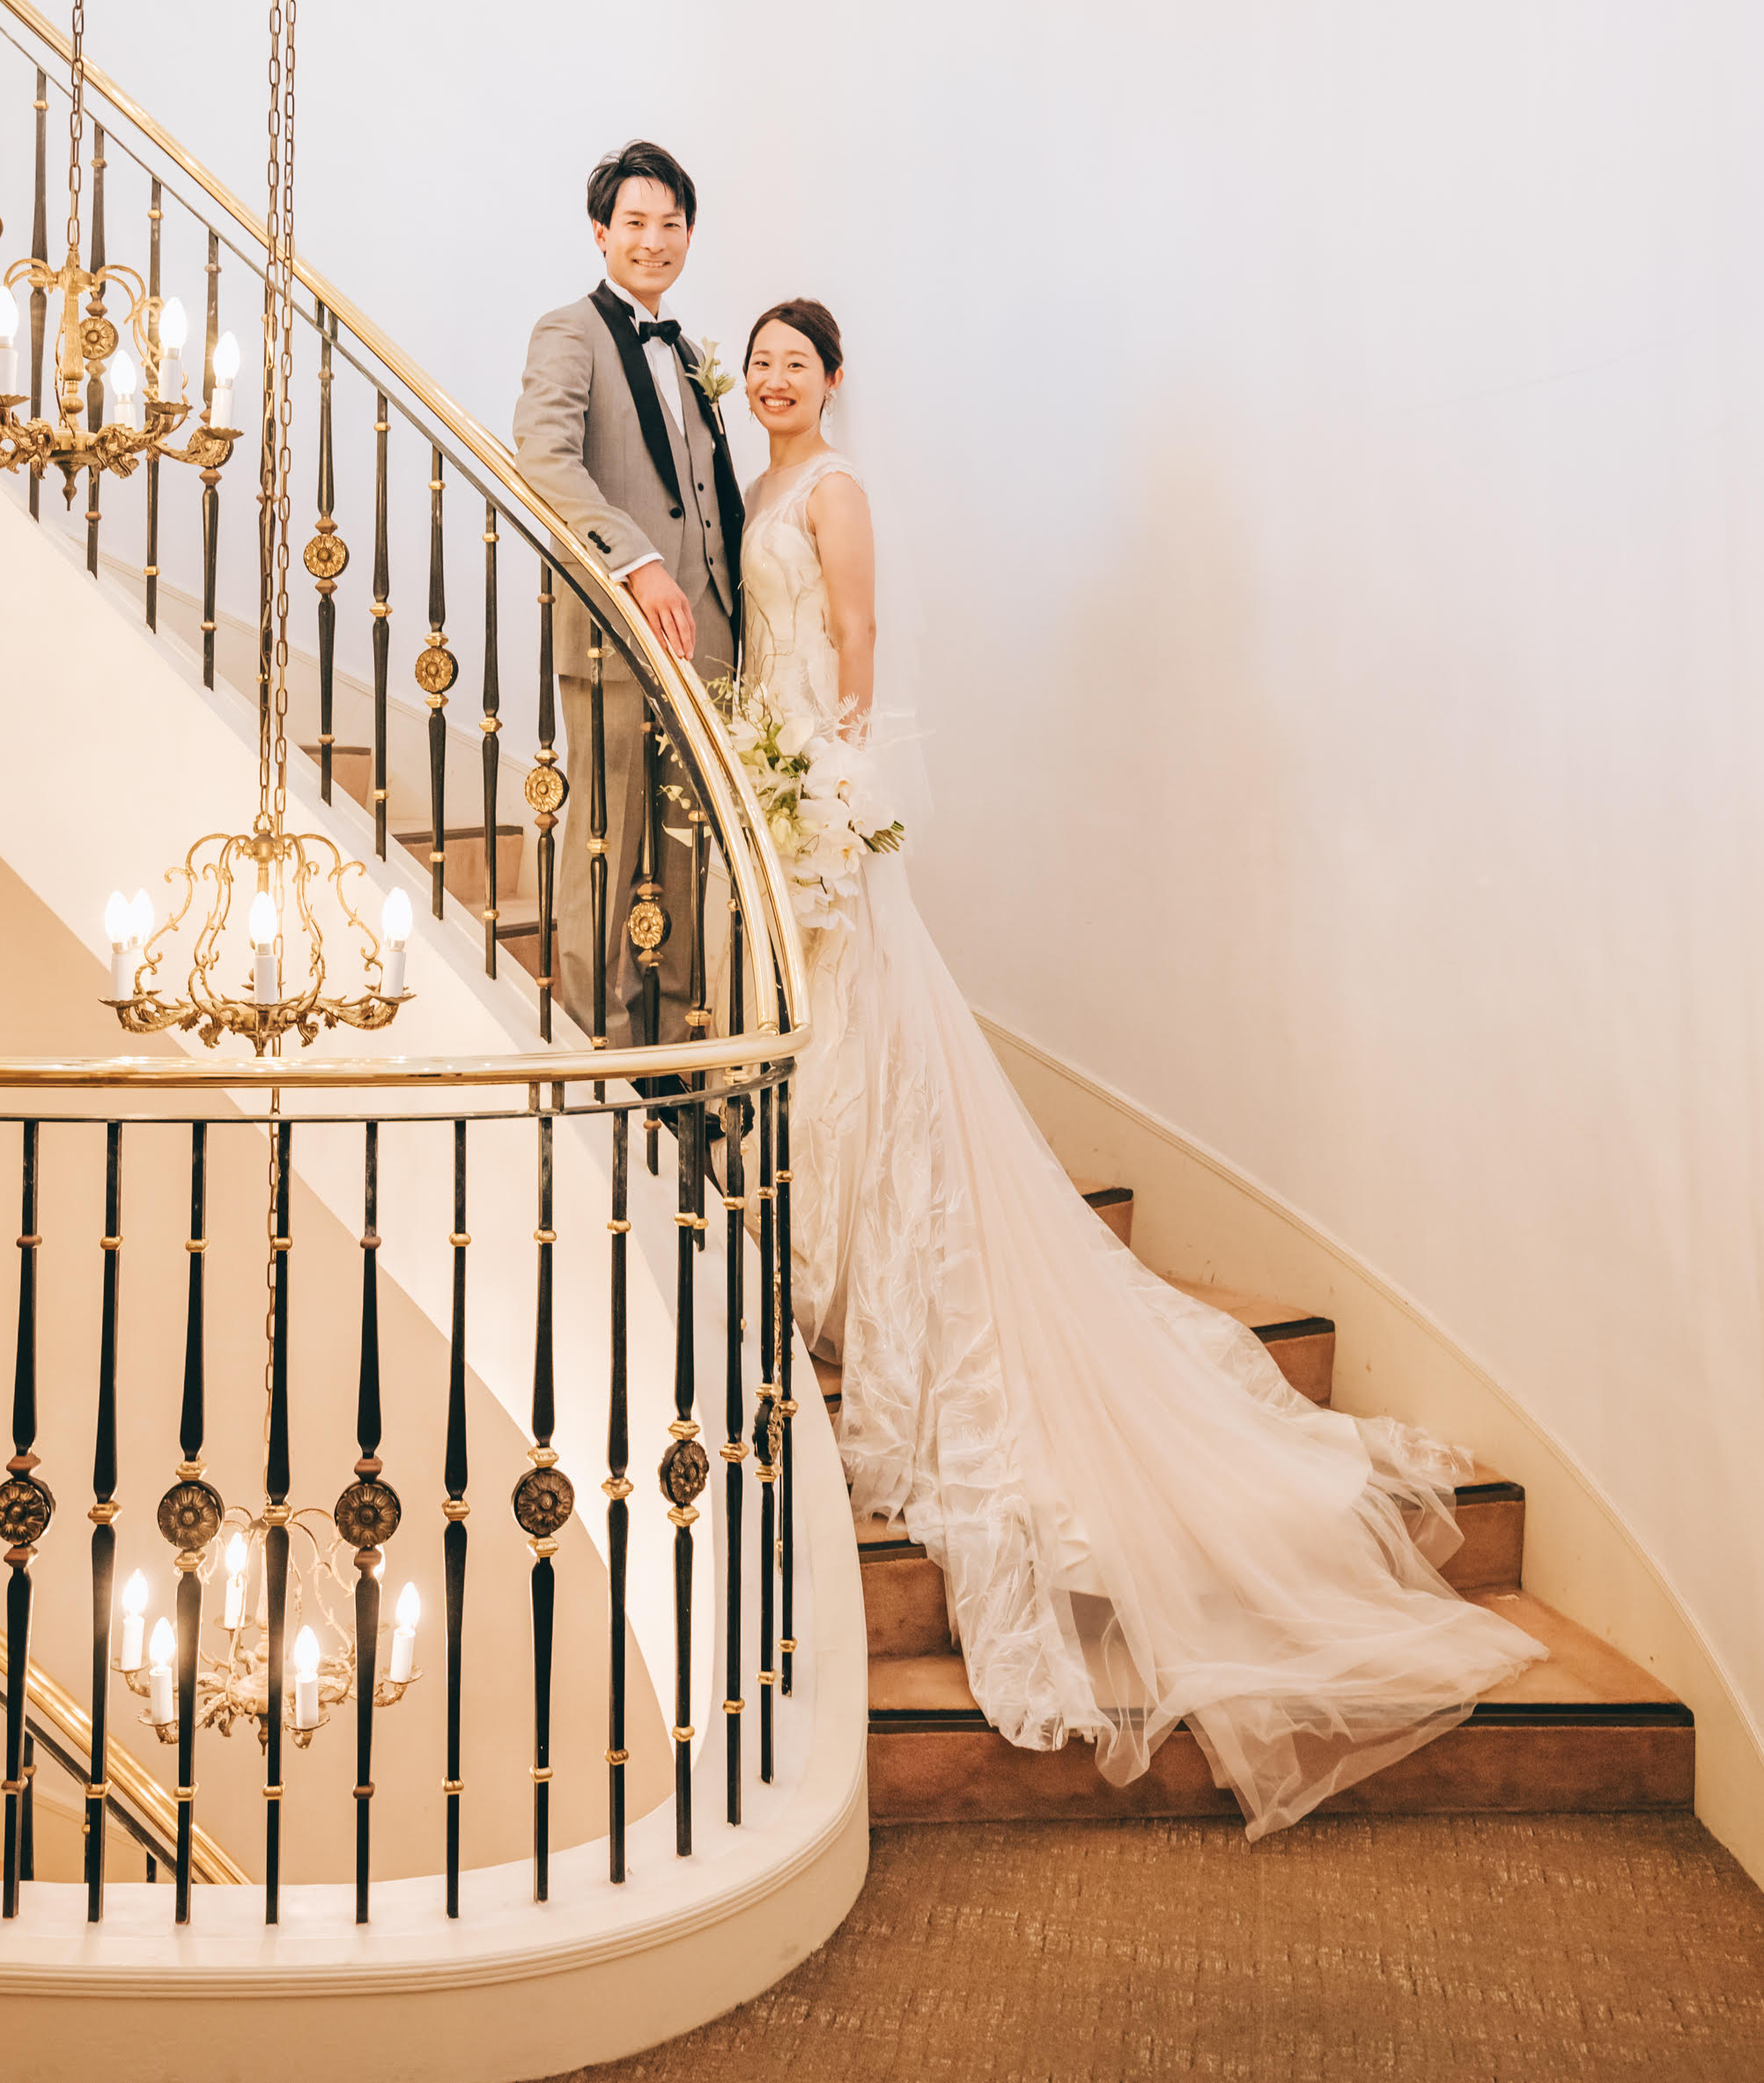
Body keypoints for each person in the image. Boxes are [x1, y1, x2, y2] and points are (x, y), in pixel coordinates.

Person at [736, 295, 1547, 1839]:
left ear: (834, 379)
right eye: (760, 361)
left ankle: (883, 1269)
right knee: (820, 1033)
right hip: (765, 782)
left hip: (817, 792)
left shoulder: (833, 488)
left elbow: (854, 636)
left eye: (797, 363)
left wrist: (836, 778)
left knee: (866, 1029)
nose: (776, 380)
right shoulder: (756, 478)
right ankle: (835, 1251)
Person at [513, 141, 742, 1045]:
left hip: (704, 639)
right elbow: (544, 459)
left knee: (687, 846)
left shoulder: (685, 350)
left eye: (671, 224)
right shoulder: (568, 331)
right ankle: (585, 1036)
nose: (654, 240)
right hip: (613, 629)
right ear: (600, 231)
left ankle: (672, 1043)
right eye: (635, 222)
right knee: (604, 839)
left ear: (689, 234)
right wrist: (636, 562)